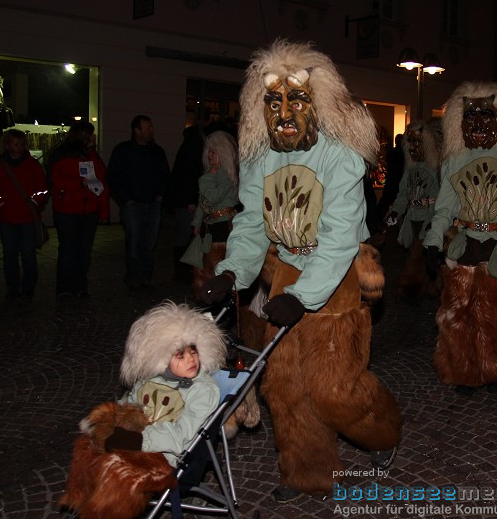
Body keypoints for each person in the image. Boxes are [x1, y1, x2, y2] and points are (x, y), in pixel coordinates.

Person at [198, 40, 401, 502]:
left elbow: (339, 236)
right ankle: (308, 473)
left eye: (297, 100)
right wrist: (232, 273)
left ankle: (384, 433)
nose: (284, 112)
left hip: (336, 280)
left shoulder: (340, 156)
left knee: (333, 389)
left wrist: (304, 296)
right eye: (273, 101)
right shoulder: (257, 157)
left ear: (319, 104)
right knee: (285, 387)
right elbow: (251, 224)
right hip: (287, 274)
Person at [422, 82, 497, 396]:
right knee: (457, 315)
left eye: (486, 117)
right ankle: (464, 371)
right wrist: (433, 241)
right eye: (470, 118)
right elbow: (444, 207)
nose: (477, 125)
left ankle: (494, 367)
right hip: (464, 244)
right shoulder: (453, 160)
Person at [108, 301, 226, 469]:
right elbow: (128, 406)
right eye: (180, 355)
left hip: (167, 460)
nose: (191, 359)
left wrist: (140, 440)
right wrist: (107, 423)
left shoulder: (203, 390)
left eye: (194, 352)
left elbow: (182, 435)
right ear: (161, 357)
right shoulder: (149, 381)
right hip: (136, 449)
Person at [0, 129, 49, 299]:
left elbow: (43, 188)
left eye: (21, 144)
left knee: (28, 253)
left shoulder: (32, 165)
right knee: (10, 254)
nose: (19, 148)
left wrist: (34, 201)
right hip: (7, 218)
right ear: (7, 145)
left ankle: (28, 287)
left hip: (27, 218)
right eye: (15, 144)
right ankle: (13, 287)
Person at [107, 115, 170, 291]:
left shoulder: (157, 152)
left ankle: (146, 277)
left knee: (149, 244)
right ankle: (133, 277)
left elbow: (165, 176)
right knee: (133, 243)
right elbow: (113, 177)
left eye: (151, 127)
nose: (152, 130)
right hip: (132, 205)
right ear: (137, 130)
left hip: (152, 204)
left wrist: (160, 195)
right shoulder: (123, 151)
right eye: (148, 128)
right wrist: (125, 200)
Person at [46, 121, 109, 298]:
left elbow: (102, 184)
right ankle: (64, 288)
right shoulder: (61, 155)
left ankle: (80, 286)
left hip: (89, 211)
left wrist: (103, 212)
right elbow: (54, 180)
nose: (93, 137)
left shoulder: (93, 157)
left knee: (84, 251)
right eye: (90, 134)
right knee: (68, 250)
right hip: (67, 211)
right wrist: (78, 183)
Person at [386, 120, 440, 298]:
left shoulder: (435, 170)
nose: (413, 146)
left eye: (417, 142)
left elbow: (441, 198)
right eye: (411, 142)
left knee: (418, 253)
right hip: (412, 217)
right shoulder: (410, 170)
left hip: (428, 217)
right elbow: (403, 194)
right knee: (414, 251)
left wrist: (436, 220)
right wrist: (396, 212)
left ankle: (414, 286)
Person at [188, 129, 239, 299]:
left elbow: (215, 197)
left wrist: (208, 180)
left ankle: (223, 295)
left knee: (222, 263)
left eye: (214, 151)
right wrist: (196, 223)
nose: (210, 155)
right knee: (205, 265)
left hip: (225, 227)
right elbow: (203, 202)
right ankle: (208, 294)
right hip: (208, 227)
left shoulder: (226, 177)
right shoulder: (209, 177)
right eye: (208, 151)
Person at [163, 123, 204, 283]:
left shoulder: (187, 147)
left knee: (183, 235)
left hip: (182, 200)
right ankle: (182, 272)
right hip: (186, 201)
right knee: (185, 235)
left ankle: (182, 272)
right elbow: (190, 176)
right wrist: (191, 200)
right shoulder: (193, 148)